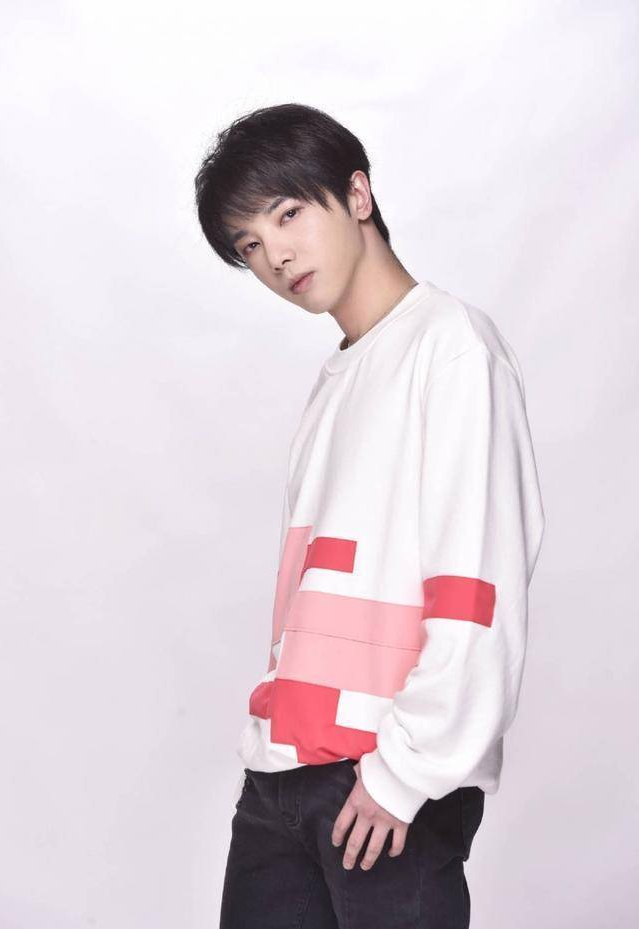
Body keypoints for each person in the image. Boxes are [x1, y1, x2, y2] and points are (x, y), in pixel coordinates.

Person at [194, 103, 545, 929]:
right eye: (250, 245)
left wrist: (403, 775)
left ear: (357, 195)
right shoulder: (337, 379)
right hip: (281, 777)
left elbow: (478, 586)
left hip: (383, 787)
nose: (276, 255)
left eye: (287, 214)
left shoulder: (451, 347)